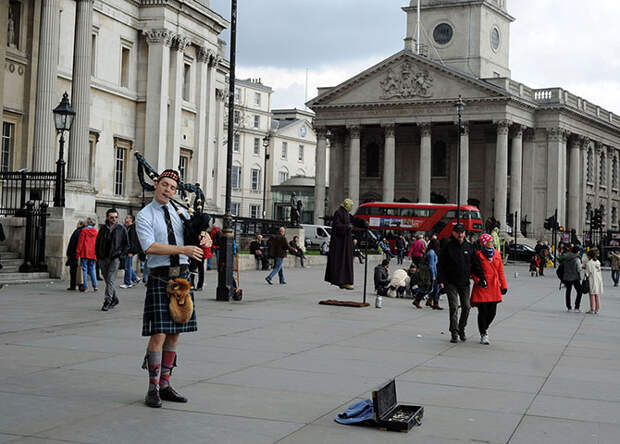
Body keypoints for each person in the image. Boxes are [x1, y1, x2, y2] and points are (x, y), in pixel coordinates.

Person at [136, 169, 210, 408]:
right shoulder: (145, 215)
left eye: (172, 188)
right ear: (156, 185)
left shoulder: (179, 212)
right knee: (158, 334)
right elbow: (149, 247)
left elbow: (192, 236)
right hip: (161, 278)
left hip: (183, 279)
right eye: (165, 185)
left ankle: (166, 384)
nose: (168, 190)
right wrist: (182, 250)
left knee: (175, 334)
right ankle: (152, 388)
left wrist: (205, 238)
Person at [438, 223, 486, 343]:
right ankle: (454, 332)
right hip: (450, 282)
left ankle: (461, 328)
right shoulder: (448, 246)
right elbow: (441, 265)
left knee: (466, 307)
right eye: (458, 232)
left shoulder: (469, 247)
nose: (460, 234)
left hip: (464, 282)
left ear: (464, 233)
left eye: (462, 232)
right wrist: (441, 280)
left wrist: (482, 277)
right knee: (454, 307)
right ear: (454, 233)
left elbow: (475, 264)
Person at [470, 233, 507, 345]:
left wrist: (504, 285)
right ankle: (483, 333)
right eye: (490, 242)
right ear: (484, 243)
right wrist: (479, 280)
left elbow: (501, 271)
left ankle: (484, 327)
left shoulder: (496, 254)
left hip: (494, 286)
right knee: (483, 311)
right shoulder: (478, 255)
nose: (492, 244)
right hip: (483, 286)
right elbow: (474, 271)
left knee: (492, 312)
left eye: (492, 242)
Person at [325, 198, 366, 290]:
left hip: (346, 242)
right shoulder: (338, 213)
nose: (352, 208)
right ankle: (341, 281)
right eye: (351, 206)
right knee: (341, 262)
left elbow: (353, 219)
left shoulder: (346, 213)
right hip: (340, 244)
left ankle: (345, 281)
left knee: (346, 262)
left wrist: (363, 223)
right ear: (347, 205)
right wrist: (347, 227)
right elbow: (336, 226)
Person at [95, 208, 129, 311]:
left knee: (110, 279)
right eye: (112, 217)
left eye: (116, 217)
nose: (114, 219)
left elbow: (126, 245)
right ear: (107, 218)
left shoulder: (121, 229)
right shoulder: (103, 228)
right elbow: (97, 242)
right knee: (108, 280)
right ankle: (115, 299)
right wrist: (98, 255)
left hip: (115, 258)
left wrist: (120, 255)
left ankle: (107, 301)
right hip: (103, 258)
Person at [76, 217, 98, 292]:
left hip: (85, 252)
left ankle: (85, 287)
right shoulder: (95, 231)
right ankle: (95, 285)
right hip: (93, 252)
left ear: (88, 223)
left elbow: (80, 243)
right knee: (92, 269)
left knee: (84, 269)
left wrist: (77, 253)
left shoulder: (84, 231)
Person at [121, 215, 142, 289]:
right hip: (127, 250)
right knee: (127, 265)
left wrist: (130, 251)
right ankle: (135, 278)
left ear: (131, 219)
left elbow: (132, 241)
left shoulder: (132, 228)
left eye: (127, 217)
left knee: (127, 266)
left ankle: (127, 283)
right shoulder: (128, 227)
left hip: (129, 250)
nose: (125, 218)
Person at [562, 245, 583, 312]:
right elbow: (579, 269)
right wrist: (583, 266)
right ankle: (577, 307)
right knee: (579, 291)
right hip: (575, 277)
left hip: (567, 276)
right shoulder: (577, 259)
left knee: (568, 291)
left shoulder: (566, 256)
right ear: (577, 251)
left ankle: (569, 307)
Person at [66, 220, 85, 291]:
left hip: (75, 253)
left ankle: (73, 285)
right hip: (82, 253)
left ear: (80, 224)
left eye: (77, 223)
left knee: (73, 270)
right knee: (80, 270)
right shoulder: (84, 231)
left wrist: (68, 253)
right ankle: (81, 285)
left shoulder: (77, 232)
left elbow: (72, 243)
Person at [584, 249, 603, 314]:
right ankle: (597, 309)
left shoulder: (589, 263)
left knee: (592, 295)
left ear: (589, 256)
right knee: (597, 295)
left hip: (592, 280)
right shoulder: (598, 262)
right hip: (598, 279)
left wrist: (584, 267)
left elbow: (587, 273)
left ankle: (592, 309)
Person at [425, 238, 442, 310]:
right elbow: (432, 265)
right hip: (433, 272)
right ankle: (435, 303)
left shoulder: (431, 252)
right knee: (435, 288)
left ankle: (432, 301)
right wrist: (434, 275)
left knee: (435, 288)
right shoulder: (432, 253)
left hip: (435, 272)